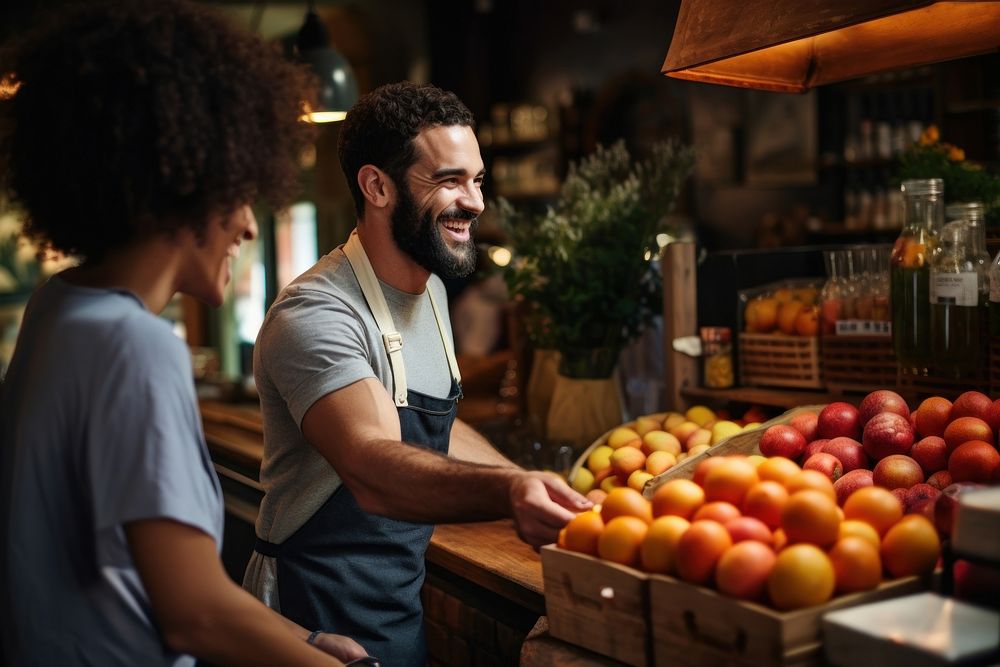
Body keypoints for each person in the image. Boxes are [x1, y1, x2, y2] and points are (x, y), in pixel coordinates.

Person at [0, 2, 368, 665]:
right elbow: (193, 613)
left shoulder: (59, 308)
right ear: (186, 178)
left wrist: (301, 639)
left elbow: (150, 582)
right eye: (239, 192)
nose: (250, 226)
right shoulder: (134, 347)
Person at [243, 81, 592, 667]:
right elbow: (373, 469)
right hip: (311, 622)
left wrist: (536, 484)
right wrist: (508, 493)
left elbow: (433, 422)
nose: (476, 202)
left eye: (477, 180)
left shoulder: (428, 288)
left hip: (396, 612)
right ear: (377, 186)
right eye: (450, 180)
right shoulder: (316, 316)